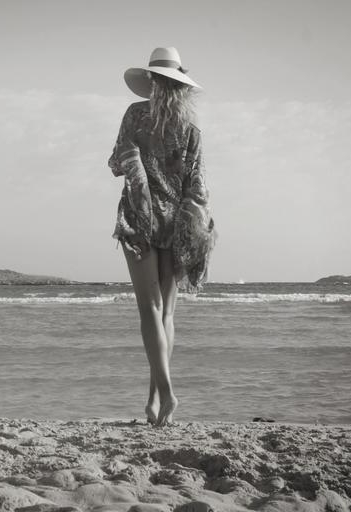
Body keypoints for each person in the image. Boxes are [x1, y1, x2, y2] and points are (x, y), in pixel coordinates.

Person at [108, 47, 216, 427]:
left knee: (148, 309)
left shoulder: (136, 116)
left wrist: (137, 171)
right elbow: (197, 189)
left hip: (139, 220)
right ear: (182, 86)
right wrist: (193, 231)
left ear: (152, 80)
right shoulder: (191, 131)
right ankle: (154, 401)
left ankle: (166, 392)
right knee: (167, 312)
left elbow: (117, 161)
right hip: (174, 225)